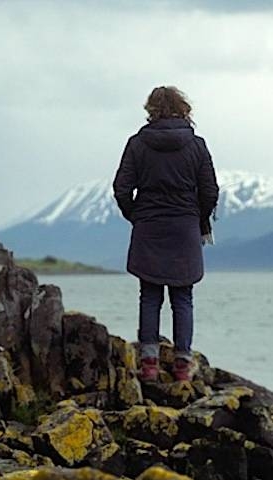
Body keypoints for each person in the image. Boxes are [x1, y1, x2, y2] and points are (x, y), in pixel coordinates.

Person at [112, 86, 219, 382]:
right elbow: (210, 191)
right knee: (183, 296)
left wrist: (136, 215)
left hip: (149, 225)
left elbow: (121, 188)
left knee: (149, 295)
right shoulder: (197, 145)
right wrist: (198, 219)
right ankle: (183, 364)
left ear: (151, 110)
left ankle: (148, 363)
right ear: (184, 108)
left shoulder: (137, 144)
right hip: (185, 227)